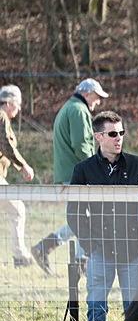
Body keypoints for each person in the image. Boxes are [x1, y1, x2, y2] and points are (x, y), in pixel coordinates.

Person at [67, 111, 138, 321]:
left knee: (135, 310)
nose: (119, 138)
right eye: (113, 134)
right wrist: (90, 245)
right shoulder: (83, 170)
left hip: (133, 250)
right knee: (96, 308)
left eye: (121, 133)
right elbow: (74, 212)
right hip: (100, 250)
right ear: (98, 137)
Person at [32, 78, 108, 275]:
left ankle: (78, 261)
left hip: (70, 172)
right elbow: (81, 145)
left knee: (82, 219)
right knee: (82, 219)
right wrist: (96, 170)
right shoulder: (78, 111)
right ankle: (50, 248)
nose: (98, 102)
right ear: (87, 93)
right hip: (77, 174)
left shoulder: (69, 107)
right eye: (97, 97)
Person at [0, 85, 36, 267]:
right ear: (7, 102)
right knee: (17, 209)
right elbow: (5, 144)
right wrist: (24, 166)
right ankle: (20, 256)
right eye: (17, 104)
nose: (19, 108)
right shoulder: (1, 116)